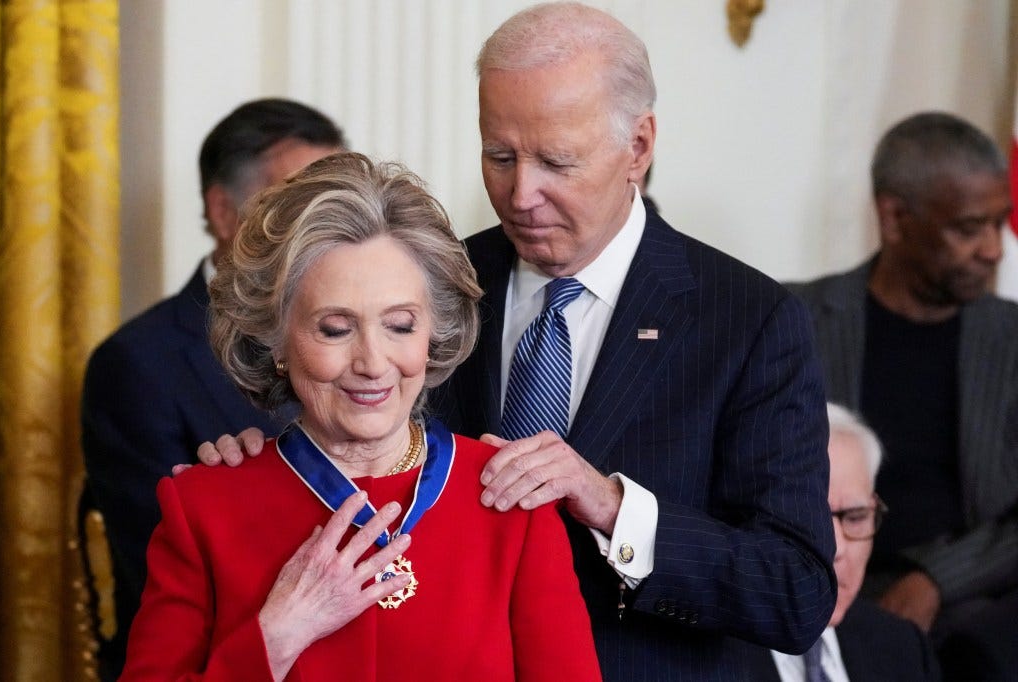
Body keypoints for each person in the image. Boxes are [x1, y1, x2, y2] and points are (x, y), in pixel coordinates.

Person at [201, 4, 836, 679]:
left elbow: (796, 593)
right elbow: (350, 438)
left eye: (556, 162)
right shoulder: (427, 284)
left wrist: (613, 508)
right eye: (499, 156)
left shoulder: (749, 319)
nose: (521, 194)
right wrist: (263, 459)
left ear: (639, 147)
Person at [121, 152, 600, 681]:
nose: (373, 364)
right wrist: (277, 635)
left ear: (432, 334)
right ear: (276, 338)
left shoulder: (512, 501)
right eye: (334, 329)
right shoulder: (204, 507)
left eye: (399, 325)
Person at [81, 98, 344, 679]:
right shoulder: (138, 365)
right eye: (295, 204)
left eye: (333, 203)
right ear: (224, 213)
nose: (323, 228)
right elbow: (163, 568)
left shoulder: (363, 342)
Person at [786, 111, 1018, 679]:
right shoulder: (794, 321)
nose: (993, 250)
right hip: (816, 589)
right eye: (969, 228)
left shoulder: (1012, 341)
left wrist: (935, 580)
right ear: (894, 218)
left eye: (1000, 223)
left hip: (975, 609)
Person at [736, 403, 940, 681]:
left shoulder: (903, 647)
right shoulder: (692, 658)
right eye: (808, 519)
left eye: (855, 518)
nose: (835, 549)